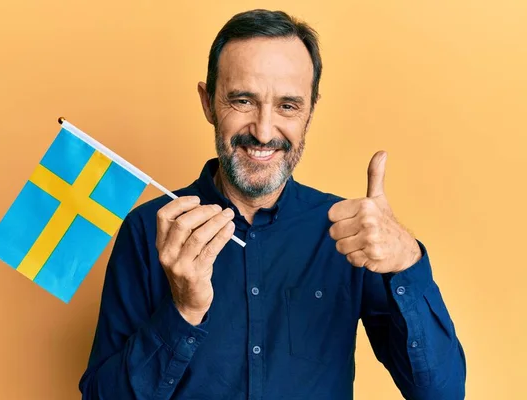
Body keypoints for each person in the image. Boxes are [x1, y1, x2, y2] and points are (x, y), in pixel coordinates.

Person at [78, 9, 466, 399]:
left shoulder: (349, 234)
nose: (263, 132)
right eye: (243, 100)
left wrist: (407, 261)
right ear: (208, 103)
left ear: (310, 110)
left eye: (287, 106)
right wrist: (183, 311)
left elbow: (441, 393)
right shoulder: (150, 230)